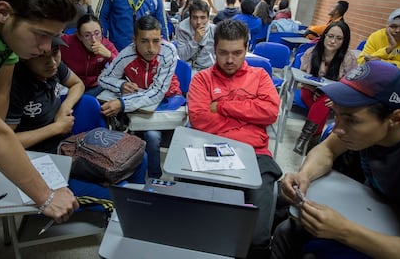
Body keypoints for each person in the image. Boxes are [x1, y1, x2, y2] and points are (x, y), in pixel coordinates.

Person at [271, 60, 400, 259]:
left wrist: (345, 232)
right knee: (283, 220)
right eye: (336, 115)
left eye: (351, 120)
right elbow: (327, 149)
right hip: (370, 213)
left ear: (396, 119)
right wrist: (305, 175)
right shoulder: (370, 129)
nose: (337, 129)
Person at [188, 19, 283, 259]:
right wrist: (248, 121)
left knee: (259, 232)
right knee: (210, 221)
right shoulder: (202, 79)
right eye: (223, 53)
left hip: (256, 154)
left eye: (237, 53)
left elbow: (270, 112)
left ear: (246, 48)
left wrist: (222, 105)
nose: (230, 60)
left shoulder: (260, 76)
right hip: (212, 150)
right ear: (214, 49)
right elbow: (199, 119)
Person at [6, 37, 146, 199]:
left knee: (139, 156)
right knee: (121, 194)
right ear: (26, 57)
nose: (51, 61)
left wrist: (64, 108)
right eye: (41, 56)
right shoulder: (15, 86)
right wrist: (56, 128)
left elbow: (77, 84)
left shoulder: (53, 67)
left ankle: (136, 210)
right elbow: (6, 142)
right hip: (37, 160)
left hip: (66, 146)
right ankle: (128, 207)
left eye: (55, 53)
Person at [0, 0, 78, 222]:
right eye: (41, 35)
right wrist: (47, 196)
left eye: (53, 37)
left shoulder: (9, 51)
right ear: (3, 12)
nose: (46, 48)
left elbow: (0, 128)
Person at [98, 16, 179, 178]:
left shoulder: (168, 51)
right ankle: (132, 173)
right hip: (137, 105)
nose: (151, 48)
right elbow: (103, 78)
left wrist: (122, 103)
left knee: (152, 136)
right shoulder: (126, 54)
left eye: (156, 41)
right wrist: (120, 85)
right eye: (144, 41)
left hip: (165, 101)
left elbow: (156, 93)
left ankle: (155, 177)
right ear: (134, 40)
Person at [294, 21, 357, 155]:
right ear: (324, 36)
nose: (333, 41)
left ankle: (304, 138)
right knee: (311, 98)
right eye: (330, 36)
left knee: (324, 100)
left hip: (333, 94)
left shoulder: (348, 58)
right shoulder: (311, 53)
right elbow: (301, 78)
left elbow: (350, 86)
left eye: (339, 38)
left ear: (344, 41)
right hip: (310, 89)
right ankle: (315, 138)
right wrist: (313, 89)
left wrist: (337, 99)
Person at [60, 14, 118, 97]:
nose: (94, 40)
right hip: (71, 86)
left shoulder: (107, 46)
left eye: (97, 34)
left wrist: (109, 55)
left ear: (102, 31)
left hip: (95, 87)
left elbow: (123, 67)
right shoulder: (67, 43)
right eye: (87, 35)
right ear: (79, 36)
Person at [357, 7, 400, 73]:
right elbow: (362, 61)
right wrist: (388, 48)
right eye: (393, 26)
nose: (398, 30)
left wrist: (382, 62)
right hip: (376, 72)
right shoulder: (376, 36)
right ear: (387, 26)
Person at [176, 0, 216, 73]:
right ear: (190, 17)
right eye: (195, 17)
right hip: (191, 69)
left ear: (208, 18)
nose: (198, 22)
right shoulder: (181, 29)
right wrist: (195, 40)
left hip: (210, 68)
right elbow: (182, 56)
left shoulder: (214, 30)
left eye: (203, 17)